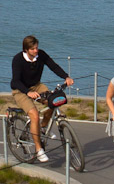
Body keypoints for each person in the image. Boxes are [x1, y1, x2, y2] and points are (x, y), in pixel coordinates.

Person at [10, 35, 74, 163]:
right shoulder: (18, 59)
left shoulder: (41, 55)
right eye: (33, 49)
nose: (36, 51)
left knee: (53, 102)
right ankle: (39, 150)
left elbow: (53, 66)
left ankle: (43, 127)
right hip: (20, 90)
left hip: (37, 86)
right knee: (34, 114)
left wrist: (66, 77)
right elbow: (15, 81)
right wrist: (28, 92)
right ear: (26, 50)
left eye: (37, 48)